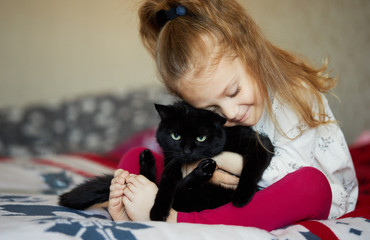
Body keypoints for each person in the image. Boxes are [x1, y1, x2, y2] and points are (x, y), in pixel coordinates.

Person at [108, 0, 358, 231]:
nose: (229, 113)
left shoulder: (297, 94)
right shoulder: (228, 108)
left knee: (310, 186)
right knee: (137, 157)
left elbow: (287, 175)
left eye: (234, 91)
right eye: (212, 110)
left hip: (306, 196)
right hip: (235, 194)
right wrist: (196, 168)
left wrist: (221, 163)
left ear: (252, 54)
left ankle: (180, 221)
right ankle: (128, 206)